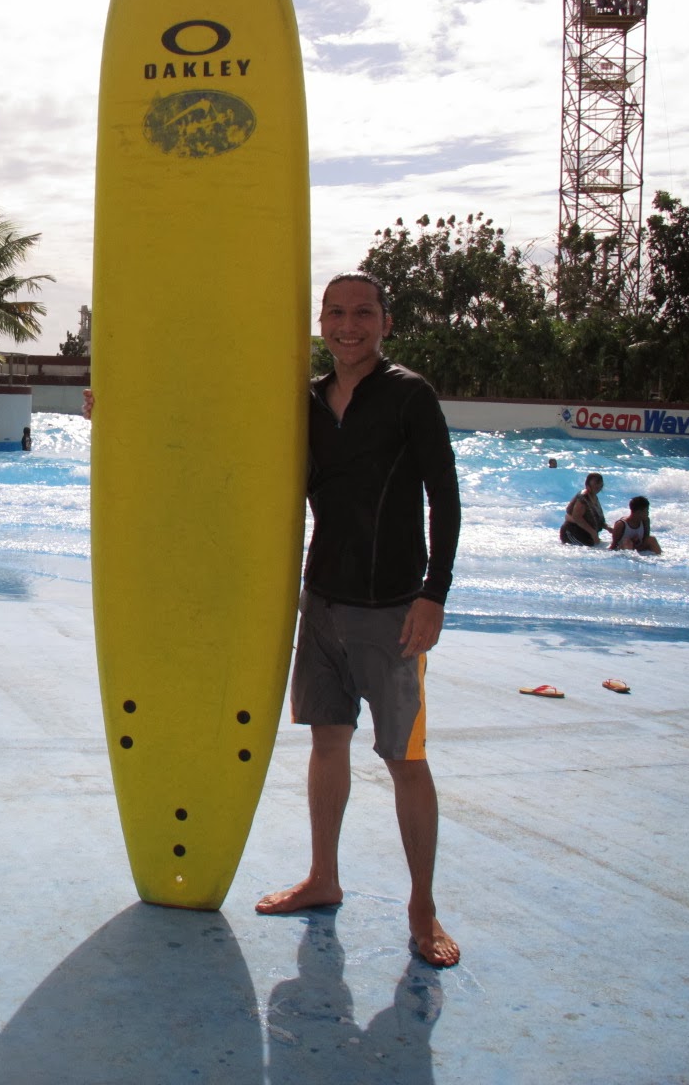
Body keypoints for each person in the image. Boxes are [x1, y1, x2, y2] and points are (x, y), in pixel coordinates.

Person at [255, 271, 463, 969]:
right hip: (322, 603)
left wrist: (434, 593)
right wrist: (119, 414)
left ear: (385, 321)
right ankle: (324, 877)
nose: (350, 325)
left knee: (405, 759)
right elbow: (227, 440)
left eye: (363, 313)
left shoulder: (410, 395)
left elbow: (445, 496)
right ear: (321, 323)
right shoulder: (307, 402)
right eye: (337, 313)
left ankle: (422, 906)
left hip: (393, 611)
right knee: (326, 744)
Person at [560, 473, 605, 546]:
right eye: (595, 486)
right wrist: (593, 534)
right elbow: (577, 517)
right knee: (594, 551)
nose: (598, 488)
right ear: (587, 485)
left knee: (599, 547)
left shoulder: (594, 497)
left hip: (585, 533)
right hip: (572, 532)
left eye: (600, 486)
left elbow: (596, 518)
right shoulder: (583, 498)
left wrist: (609, 528)